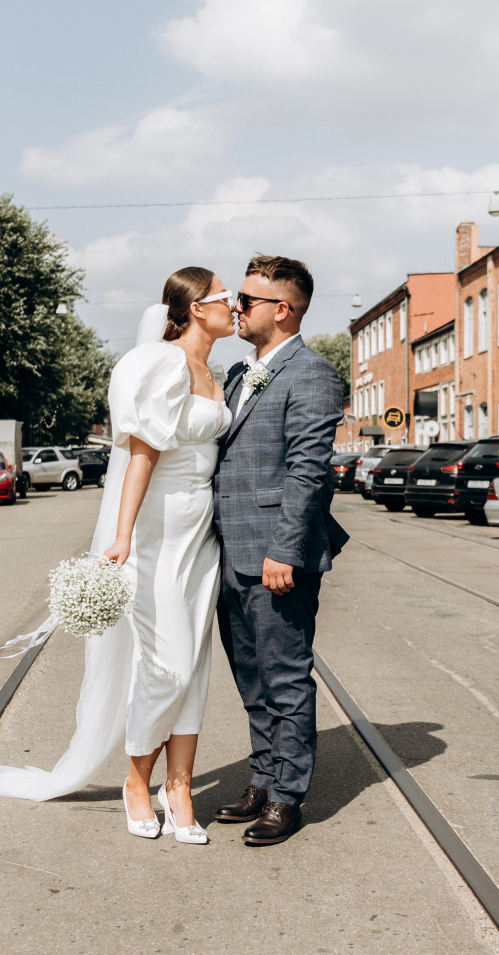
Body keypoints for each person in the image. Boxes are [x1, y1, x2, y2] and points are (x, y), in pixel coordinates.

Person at [0, 267, 235, 845]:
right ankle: (137, 781)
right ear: (195, 308)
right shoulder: (161, 364)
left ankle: (181, 786)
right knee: (164, 664)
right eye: (225, 297)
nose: (235, 305)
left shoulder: (213, 372)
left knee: (193, 664)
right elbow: (141, 457)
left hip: (201, 537)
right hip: (155, 533)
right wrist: (121, 535)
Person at [213, 255, 348, 845]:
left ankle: (288, 797)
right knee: (250, 678)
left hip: (273, 555)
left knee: (285, 678)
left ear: (283, 309)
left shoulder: (312, 373)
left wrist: (283, 551)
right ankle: (263, 778)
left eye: (246, 299)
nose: (236, 308)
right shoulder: (240, 375)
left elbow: (307, 472)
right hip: (226, 553)